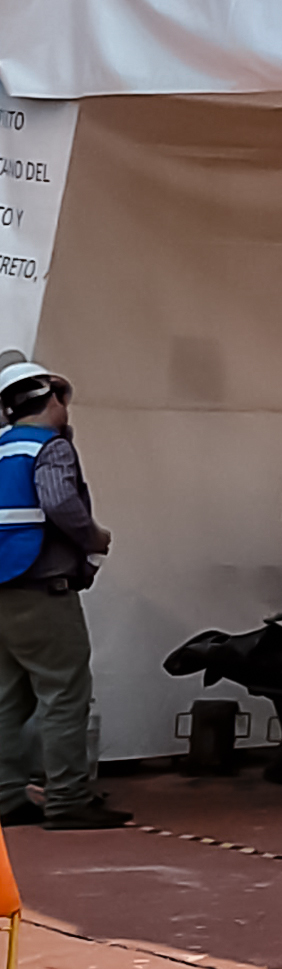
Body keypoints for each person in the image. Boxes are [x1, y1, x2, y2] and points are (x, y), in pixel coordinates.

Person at [0, 355, 121, 829]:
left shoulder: (2, 448)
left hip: (2, 591)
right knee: (65, 692)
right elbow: (57, 501)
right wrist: (94, 537)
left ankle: (7, 795)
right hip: (42, 588)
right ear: (53, 399)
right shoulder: (49, 447)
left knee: (7, 698)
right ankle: (68, 799)